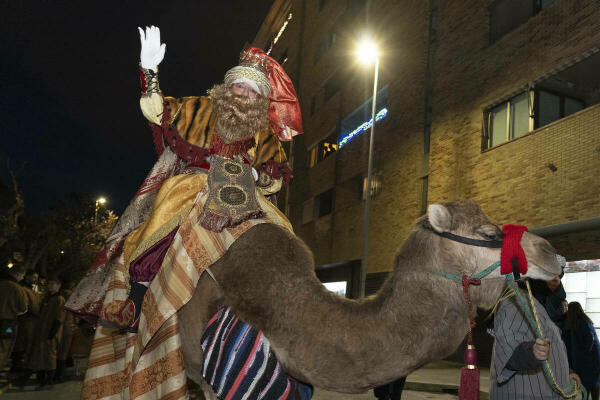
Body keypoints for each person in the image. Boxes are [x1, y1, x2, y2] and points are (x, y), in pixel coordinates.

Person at [65, 25, 301, 333]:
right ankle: (136, 302)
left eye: (253, 90)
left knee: (282, 235)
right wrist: (149, 71)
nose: (244, 94)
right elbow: (156, 110)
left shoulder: (266, 134)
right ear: (228, 88)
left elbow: (276, 178)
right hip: (195, 182)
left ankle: (277, 308)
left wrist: (259, 175)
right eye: (239, 86)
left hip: (242, 192)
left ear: (261, 99)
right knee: (164, 223)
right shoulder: (199, 107)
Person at [490, 278, 581, 399]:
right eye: (551, 275)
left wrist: (566, 373)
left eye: (558, 276)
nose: (557, 280)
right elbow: (508, 353)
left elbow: (553, 351)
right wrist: (532, 352)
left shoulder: (541, 306)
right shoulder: (515, 300)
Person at [18, 276, 66, 390]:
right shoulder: (47, 298)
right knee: (39, 355)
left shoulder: (59, 299)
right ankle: (40, 380)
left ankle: (49, 381)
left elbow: (59, 318)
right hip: (41, 332)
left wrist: (52, 333)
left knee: (49, 356)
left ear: (58, 286)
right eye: (49, 284)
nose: (50, 286)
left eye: (53, 284)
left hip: (50, 333)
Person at [563, 301, 600, 400]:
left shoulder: (579, 324)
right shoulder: (585, 321)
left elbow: (589, 342)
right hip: (592, 362)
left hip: (587, 363)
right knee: (592, 387)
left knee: (588, 387)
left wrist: (581, 356)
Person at [10, 270, 41, 374]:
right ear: (26, 277)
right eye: (33, 277)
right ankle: (17, 366)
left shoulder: (30, 290)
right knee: (21, 344)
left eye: (36, 277)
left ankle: (21, 365)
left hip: (30, 321)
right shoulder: (23, 289)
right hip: (25, 321)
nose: (35, 280)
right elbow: (27, 306)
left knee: (25, 344)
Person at [0, 265, 28, 371]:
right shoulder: (17, 288)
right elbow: (23, 308)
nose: (22, 278)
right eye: (22, 276)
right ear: (18, 274)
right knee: (4, 348)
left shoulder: (1, 284)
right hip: (8, 322)